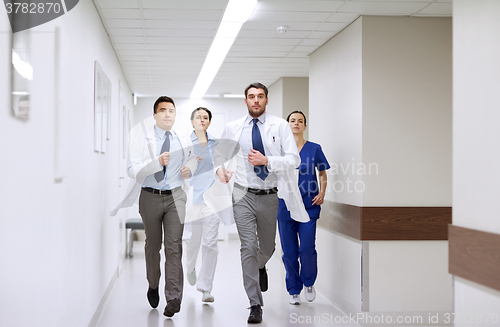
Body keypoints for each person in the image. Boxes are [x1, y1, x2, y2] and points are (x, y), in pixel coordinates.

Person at [213, 82, 309, 324]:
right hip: (242, 195)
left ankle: (261, 265)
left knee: (267, 247)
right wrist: (220, 171)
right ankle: (255, 304)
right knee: (247, 247)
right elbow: (219, 157)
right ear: (245, 101)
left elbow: (293, 159)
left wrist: (267, 160)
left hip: (269, 195)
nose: (256, 100)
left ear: (266, 100)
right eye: (251, 97)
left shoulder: (281, 126)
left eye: (260, 96)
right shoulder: (233, 128)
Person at [118, 96, 197, 318]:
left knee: (174, 246)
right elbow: (132, 170)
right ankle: (153, 284)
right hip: (150, 196)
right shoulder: (140, 138)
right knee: (153, 246)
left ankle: (173, 297)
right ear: (155, 115)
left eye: (171, 110)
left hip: (176, 197)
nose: (167, 114)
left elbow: (194, 160)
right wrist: (156, 163)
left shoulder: (182, 138)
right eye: (163, 110)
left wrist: (189, 168)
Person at [278, 111, 330, 305]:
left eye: (300, 121)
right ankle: (293, 289)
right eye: (292, 121)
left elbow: (323, 173)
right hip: (285, 206)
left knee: (307, 248)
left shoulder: (314, 149)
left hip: (309, 205)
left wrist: (322, 192)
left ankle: (308, 282)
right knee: (289, 251)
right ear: (287, 125)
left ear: (305, 126)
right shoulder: (280, 150)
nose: (296, 123)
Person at [183, 107, 223, 303]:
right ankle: (190, 266)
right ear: (192, 121)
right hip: (192, 198)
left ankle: (206, 287)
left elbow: (222, 166)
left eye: (205, 117)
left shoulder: (216, 144)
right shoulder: (183, 143)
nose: (202, 120)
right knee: (192, 241)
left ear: (209, 122)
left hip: (212, 199)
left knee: (210, 243)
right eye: (198, 117)